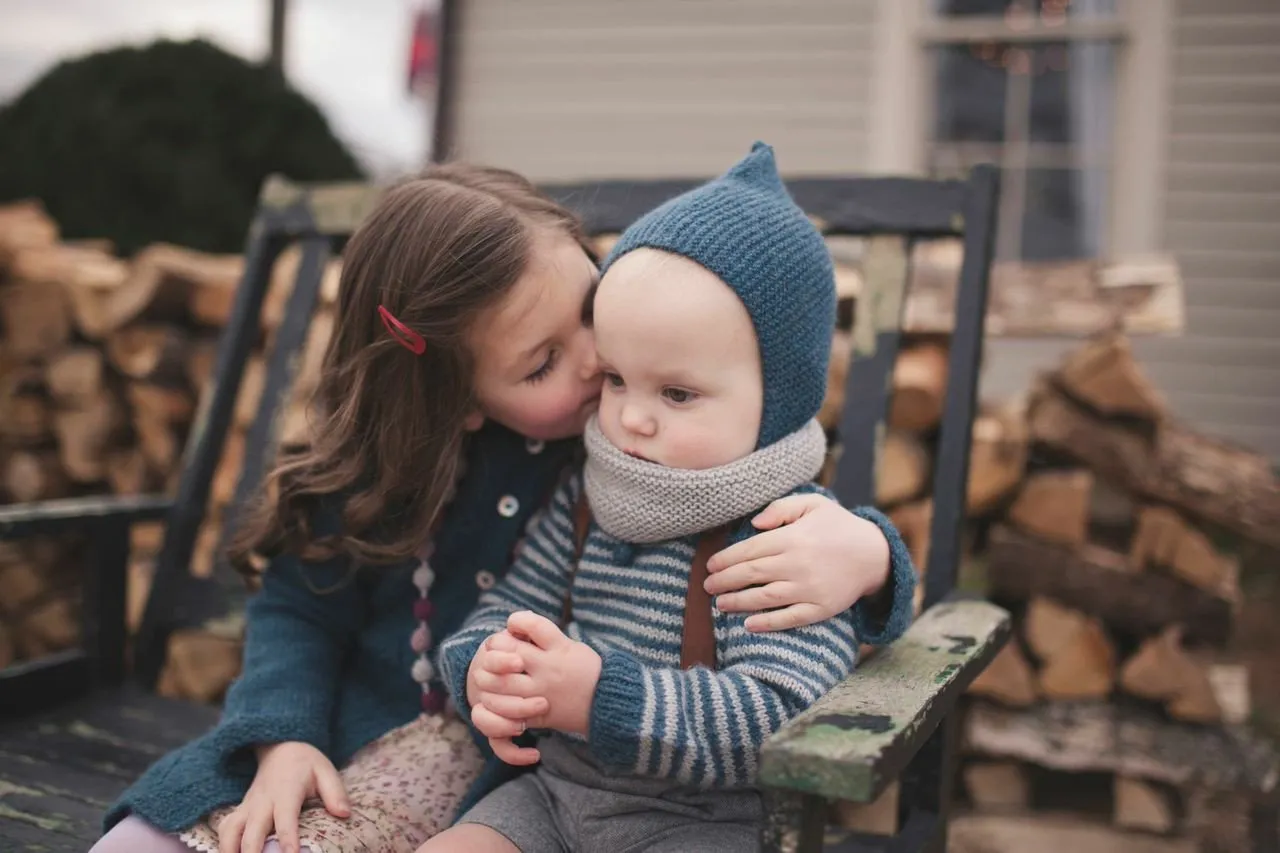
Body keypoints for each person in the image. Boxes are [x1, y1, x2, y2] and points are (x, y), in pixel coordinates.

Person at [91, 158, 907, 853]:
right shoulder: (425, 471)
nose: (601, 367)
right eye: (545, 360)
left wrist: (872, 558)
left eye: (590, 310)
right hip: (351, 734)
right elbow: (309, 608)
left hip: (540, 777)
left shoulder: (639, 445)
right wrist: (285, 731)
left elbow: (789, 509)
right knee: (167, 826)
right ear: (460, 400)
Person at [421, 142, 915, 853]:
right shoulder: (587, 496)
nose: (632, 417)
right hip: (554, 795)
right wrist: (484, 663)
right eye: (617, 378)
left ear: (776, 399)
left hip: (701, 821)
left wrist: (600, 699)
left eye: (676, 393)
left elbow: (777, 721)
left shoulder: (787, 538)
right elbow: (508, 604)